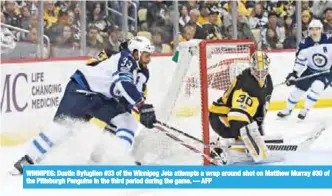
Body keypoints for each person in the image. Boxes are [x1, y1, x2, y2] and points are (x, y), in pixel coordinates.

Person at [11, 36, 156, 174]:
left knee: (127, 121)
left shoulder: (142, 71)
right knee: (62, 127)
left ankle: (117, 160)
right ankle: (27, 160)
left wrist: (141, 110)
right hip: (81, 90)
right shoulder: (126, 59)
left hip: (101, 97)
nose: (149, 59)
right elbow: (123, 83)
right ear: (136, 52)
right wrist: (140, 105)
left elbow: (133, 93)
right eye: (146, 55)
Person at [209, 51, 273, 164]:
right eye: (257, 71)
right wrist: (254, 143)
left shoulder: (269, 82)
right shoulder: (245, 83)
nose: (260, 74)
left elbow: (260, 113)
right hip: (221, 117)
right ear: (251, 68)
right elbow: (237, 116)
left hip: (234, 117)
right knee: (241, 137)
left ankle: (221, 143)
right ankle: (221, 148)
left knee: (245, 135)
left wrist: (259, 132)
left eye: (263, 70)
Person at [277, 19, 332, 120]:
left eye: (317, 29)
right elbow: (300, 61)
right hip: (310, 70)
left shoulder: (330, 40)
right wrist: (294, 74)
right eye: (312, 29)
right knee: (298, 90)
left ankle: (305, 109)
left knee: (317, 87)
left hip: (327, 71)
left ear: (322, 30)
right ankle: (288, 109)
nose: (314, 32)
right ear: (308, 30)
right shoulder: (304, 44)